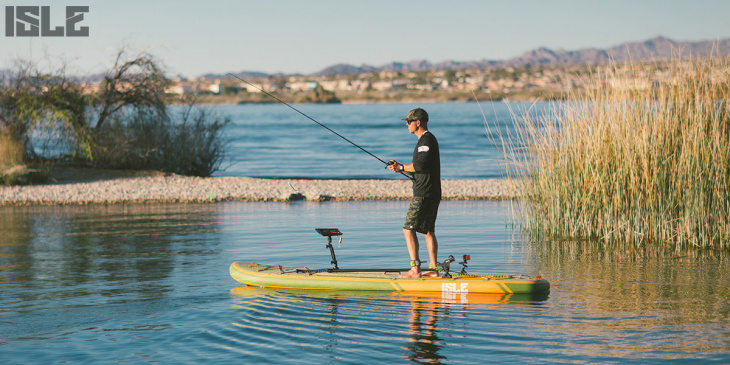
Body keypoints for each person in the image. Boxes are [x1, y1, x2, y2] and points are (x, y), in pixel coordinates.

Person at [387, 108, 441, 278]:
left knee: (407, 229)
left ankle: (415, 269)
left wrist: (402, 167)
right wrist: (400, 167)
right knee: (427, 231)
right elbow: (420, 167)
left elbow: (420, 166)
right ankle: (433, 269)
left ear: (418, 122)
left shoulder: (426, 140)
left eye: (409, 121)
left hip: (424, 193)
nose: (407, 124)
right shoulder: (426, 140)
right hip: (431, 191)